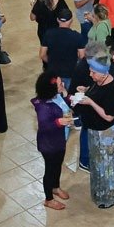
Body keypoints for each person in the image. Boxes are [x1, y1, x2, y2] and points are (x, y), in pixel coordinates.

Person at [73, 54, 114, 208]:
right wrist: (86, 90)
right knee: (97, 164)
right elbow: (95, 92)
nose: (90, 74)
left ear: (103, 73)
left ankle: (109, 197)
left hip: (105, 134)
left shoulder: (111, 89)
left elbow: (109, 116)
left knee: (106, 166)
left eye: (93, 72)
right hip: (95, 130)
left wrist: (91, 102)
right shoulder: (98, 81)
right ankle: (100, 192)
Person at [32, 73, 73, 210]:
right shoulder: (43, 106)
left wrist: (66, 93)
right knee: (50, 169)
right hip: (49, 144)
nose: (63, 85)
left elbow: (65, 104)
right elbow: (44, 126)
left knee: (58, 165)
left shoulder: (57, 96)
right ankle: (48, 198)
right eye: (60, 84)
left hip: (60, 139)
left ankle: (55, 187)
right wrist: (59, 122)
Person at [42, 11, 87, 81]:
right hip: (70, 73)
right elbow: (82, 56)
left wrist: (51, 62)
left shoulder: (49, 34)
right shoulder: (77, 36)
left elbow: (42, 55)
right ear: (71, 20)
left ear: (57, 19)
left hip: (52, 74)